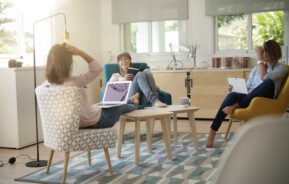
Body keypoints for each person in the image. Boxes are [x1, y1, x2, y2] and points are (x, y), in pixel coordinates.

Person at [206, 40, 288, 148]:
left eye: (265, 52)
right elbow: (248, 87)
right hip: (250, 98)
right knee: (232, 95)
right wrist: (234, 88)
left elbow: (265, 77)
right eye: (262, 52)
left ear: (273, 53)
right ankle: (212, 132)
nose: (263, 54)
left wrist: (259, 61)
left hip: (266, 99)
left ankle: (235, 106)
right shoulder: (256, 69)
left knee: (268, 83)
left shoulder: (281, 68)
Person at [44, 43, 136, 129]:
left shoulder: (46, 85)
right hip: (95, 121)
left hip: (74, 123)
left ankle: (130, 100)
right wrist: (80, 52)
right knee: (119, 106)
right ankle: (134, 104)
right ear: (67, 64)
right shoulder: (76, 81)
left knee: (98, 106)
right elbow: (98, 68)